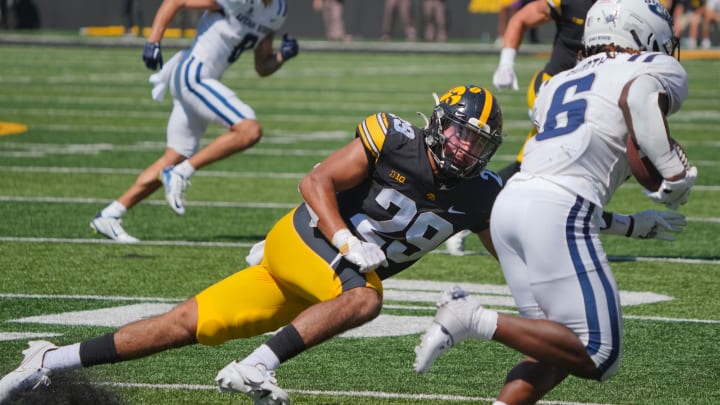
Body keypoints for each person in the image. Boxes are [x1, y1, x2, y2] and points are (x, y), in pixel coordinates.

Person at [0, 84, 507, 405]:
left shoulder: (482, 191)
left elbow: (508, 253)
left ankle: (48, 360)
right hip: (307, 241)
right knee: (367, 298)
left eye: (478, 143)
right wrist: (344, 239)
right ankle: (255, 366)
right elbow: (314, 184)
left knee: (185, 325)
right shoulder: (395, 139)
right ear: (440, 124)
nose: (465, 148)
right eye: (461, 134)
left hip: (322, 282)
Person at [415, 1, 698, 404]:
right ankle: (470, 316)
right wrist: (672, 172)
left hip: (511, 208)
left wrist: (632, 225)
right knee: (600, 351)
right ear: (643, 31)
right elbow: (637, 98)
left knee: (555, 345)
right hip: (559, 211)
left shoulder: (557, 83)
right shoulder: (650, 68)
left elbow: (556, 181)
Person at [89, 0, 300, 243]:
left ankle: (111, 214)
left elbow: (262, 65)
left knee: (175, 156)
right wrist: (153, 40)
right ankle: (182, 172)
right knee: (249, 129)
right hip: (194, 74)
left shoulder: (277, 11)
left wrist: (282, 56)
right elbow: (176, 1)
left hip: (202, 79)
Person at [445, 0, 594, 255]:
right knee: (556, 166)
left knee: (531, 167)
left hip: (591, 96)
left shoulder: (625, 7)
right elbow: (520, 18)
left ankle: (471, 214)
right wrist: (506, 63)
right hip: (552, 90)